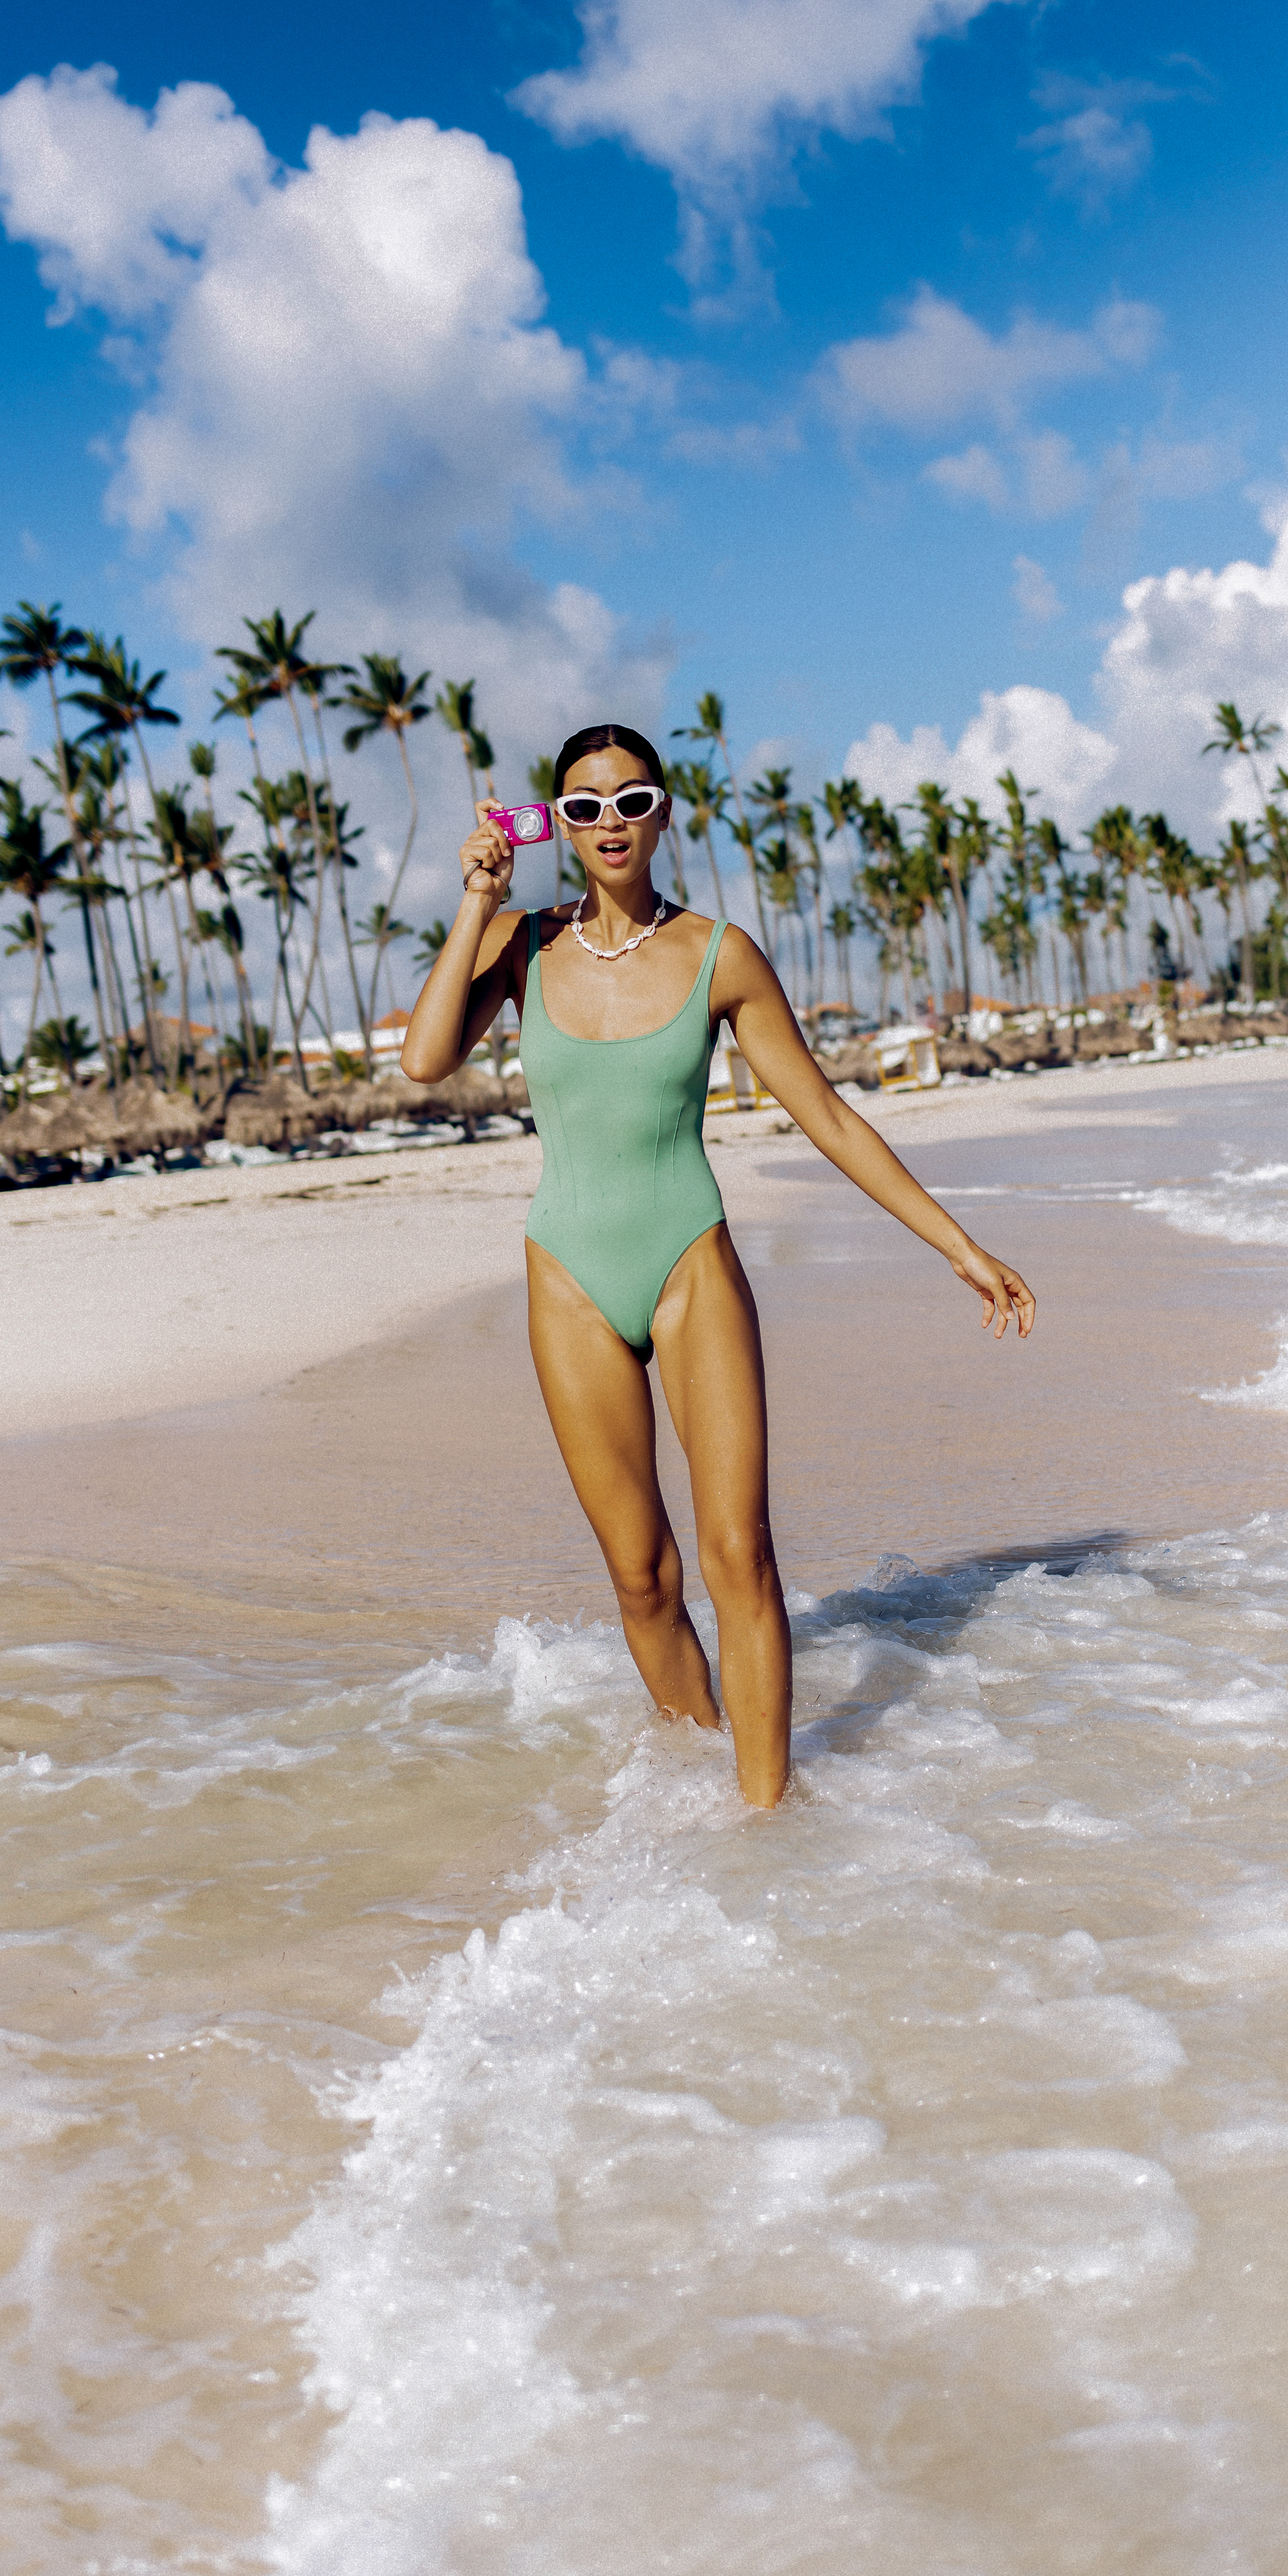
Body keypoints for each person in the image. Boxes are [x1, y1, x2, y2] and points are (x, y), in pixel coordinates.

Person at [402, 724, 1035, 1809]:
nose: (609, 823)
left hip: (689, 1261)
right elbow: (423, 1062)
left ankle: (766, 1822)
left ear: (664, 813)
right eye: (583, 807)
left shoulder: (719, 954)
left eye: (632, 800)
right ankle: (704, 1785)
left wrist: (959, 1247)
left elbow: (828, 1116)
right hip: (569, 1276)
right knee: (643, 1580)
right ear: (555, 822)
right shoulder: (520, 943)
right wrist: (475, 901)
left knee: (739, 1554)